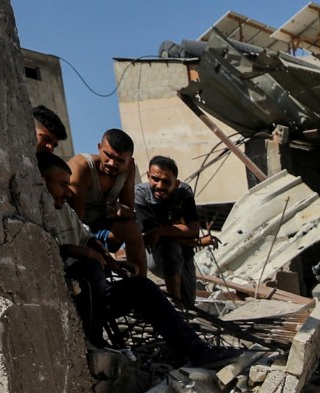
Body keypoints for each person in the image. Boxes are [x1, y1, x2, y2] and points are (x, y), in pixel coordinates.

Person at [38, 152, 217, 364]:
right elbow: (42, 253)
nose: (68, 192)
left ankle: (197, 352)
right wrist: (78, 252)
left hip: (91, 298)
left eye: (69, 185)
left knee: (141, 285)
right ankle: (93, 340)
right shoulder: (34, 212)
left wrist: (112, 262)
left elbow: (87, 238)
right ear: (41, 183)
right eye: (62, 185)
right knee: (90, 268)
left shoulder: (64, 209)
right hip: (65, 299)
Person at [135, 156, 215, 307]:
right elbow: (151, 237)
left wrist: (161, 231)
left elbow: (192, 229)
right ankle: (175, 305)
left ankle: (182, 310)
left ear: (176, 183)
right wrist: (196, 241)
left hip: (184, 254)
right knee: (169, 248)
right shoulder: (140, 194)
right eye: (155, 179)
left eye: (166, 182)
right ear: (148, 175)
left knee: (189, 303)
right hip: (156, 254)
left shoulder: (184, 192)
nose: (159, 186)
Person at [67, 128, 146, 278]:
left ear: (129, 161)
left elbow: (128, 209)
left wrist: (120, 211)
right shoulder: (83, 166)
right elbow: (75, 222)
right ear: (99, 148)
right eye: (108, 156)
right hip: (79, 231)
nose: (112, 163)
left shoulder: (128, 170)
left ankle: (141, 285)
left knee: (133, 229)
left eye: (120, 160)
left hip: (103, 228)